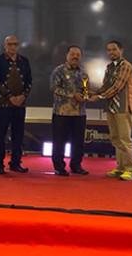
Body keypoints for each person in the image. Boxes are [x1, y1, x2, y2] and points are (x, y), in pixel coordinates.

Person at [93, 40, 132, 181]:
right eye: (109, 50)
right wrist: (92, 93)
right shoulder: (109, 67)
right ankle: (120, 167)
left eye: (114, 49)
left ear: (121, 50)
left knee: (125, 139)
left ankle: (131, 170)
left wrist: (99, 96)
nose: (111, 52)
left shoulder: (126, 66)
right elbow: (106, 86)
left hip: (122, 107)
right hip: (110, 107)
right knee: (115, 139)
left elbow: (117, 86)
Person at [0, 35, 33, 174]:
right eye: (10, 44)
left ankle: (15, 163)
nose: (13, 47)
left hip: (20, 104)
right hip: (2, 104)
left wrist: (23, 96)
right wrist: (10, 97)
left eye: (15, 44)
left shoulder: (24, 61)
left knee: (18, 135)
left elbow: (29, 81)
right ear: (5, 45)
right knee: (0, 134)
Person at [49, 45, 90, 176]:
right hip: (62, 113)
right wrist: (72, 95)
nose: (75, 57)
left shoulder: (83, 73)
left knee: (78, 142)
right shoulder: (59, 71)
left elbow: (86, 90)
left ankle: (76, 165)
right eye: (72, 54)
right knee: (59, 141)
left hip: (79, 113)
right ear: (67, 55)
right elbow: (54, 88)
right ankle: (59, 167)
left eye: (78, 55)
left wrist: (86, 96)